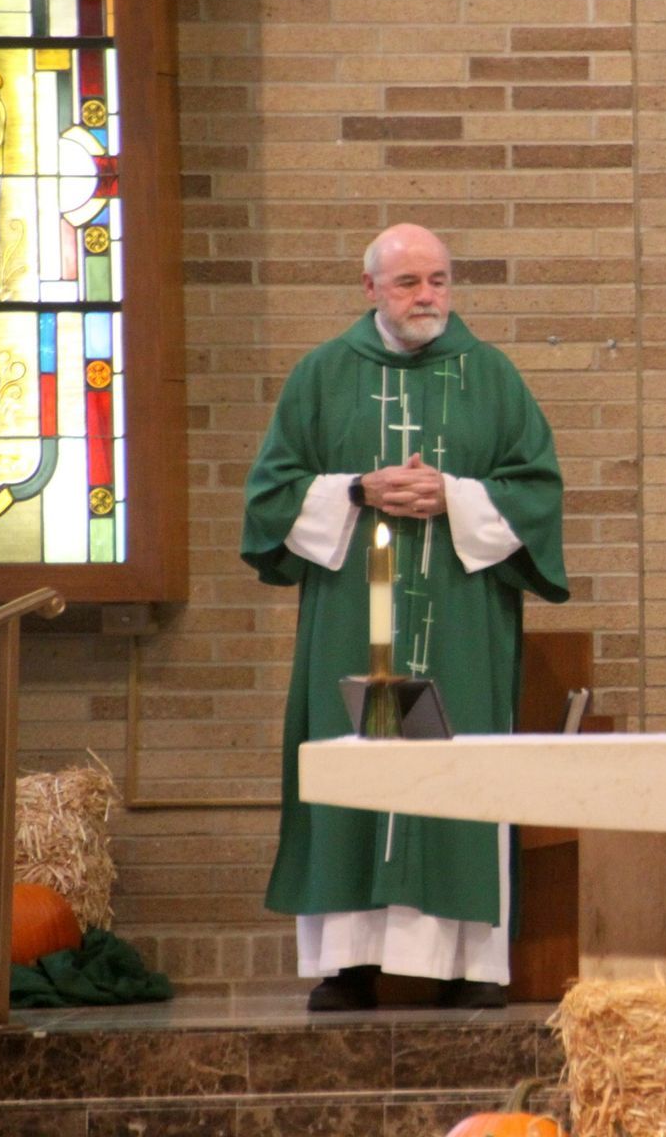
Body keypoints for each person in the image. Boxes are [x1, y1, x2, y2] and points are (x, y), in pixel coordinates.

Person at [243, 224, 567, 1011]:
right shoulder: (321, 376)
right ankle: (347, 966)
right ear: (370, 290)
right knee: (355, 762)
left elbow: (539, 491)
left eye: (439, 281)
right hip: (356, 614)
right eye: (407, 283)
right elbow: (269, 500)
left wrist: (454, 495)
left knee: (461, 765)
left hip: (459, 619)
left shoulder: (491, 377)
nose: (426, 297)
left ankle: (468, 966)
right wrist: (357, 490)